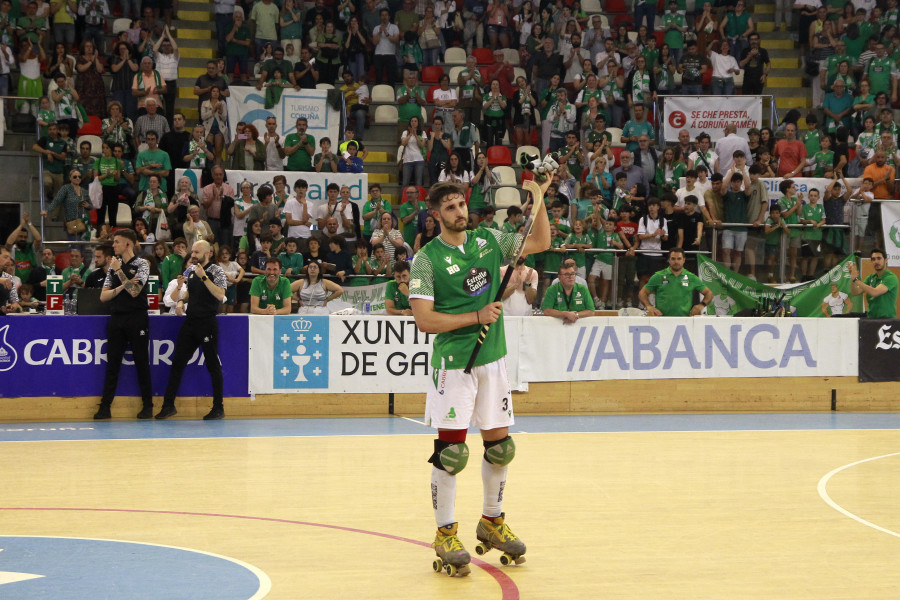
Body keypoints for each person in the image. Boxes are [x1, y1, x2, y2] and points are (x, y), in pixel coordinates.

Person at [409, 177, 550, 576]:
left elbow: (539, 242)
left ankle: (492, 523)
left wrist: (538, 201)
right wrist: (475, 316)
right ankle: (444, 532)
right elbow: (424, 320)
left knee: (501, 448)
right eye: (450, 208)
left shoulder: (487, 240)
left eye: (461, 204)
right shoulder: (426, 259)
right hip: (454, 364)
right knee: (452, 453)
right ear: (437, 215)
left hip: (493, 359)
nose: (459, 212)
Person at [156, 240, 228, 420]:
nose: (193, 255)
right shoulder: (192, 271)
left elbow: (220, 295)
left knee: (213, 365)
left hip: (207, 323)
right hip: (190, 323)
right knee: (177, 363)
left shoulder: (216, 271)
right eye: (192, 252)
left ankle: (218, 407)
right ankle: (168, 405)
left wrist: (204, 276)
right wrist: (181, 301)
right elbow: (190, 292)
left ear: (208, 253)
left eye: (197, 252)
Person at [95, 229, 153, 420]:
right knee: (112, 364)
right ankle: (105, 407)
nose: (113, 246)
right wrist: (122, 285)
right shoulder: (113, 267)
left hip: (137, 318)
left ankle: (148, 406)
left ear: (128, 244)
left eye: (117, 242)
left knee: (142, 363)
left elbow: (135, 291)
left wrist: (120, 272)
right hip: (117, 318)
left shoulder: (142, 264)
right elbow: (104, 296)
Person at [639, 247, 714, 316]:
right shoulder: (659, 276)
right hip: (661, 320)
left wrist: (701, 305)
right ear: (669, 260)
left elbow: (709, 293)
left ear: (684, 260)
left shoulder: (692, 277)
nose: (676, 262)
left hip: (684, 321)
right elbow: (642, 293)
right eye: (673, 259)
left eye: (679, 259)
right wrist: (649, 306)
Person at [849, 249, 899, 318]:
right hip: (871, 318)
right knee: (840, 317)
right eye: (873, 259)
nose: (876, 261)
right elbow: (855, 292)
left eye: (879, 258)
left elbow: (875, 292)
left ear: (886, 260)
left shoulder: (891, 277)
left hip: (886, 320)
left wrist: (856, 280)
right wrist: (852, 279)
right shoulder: (870, 277)